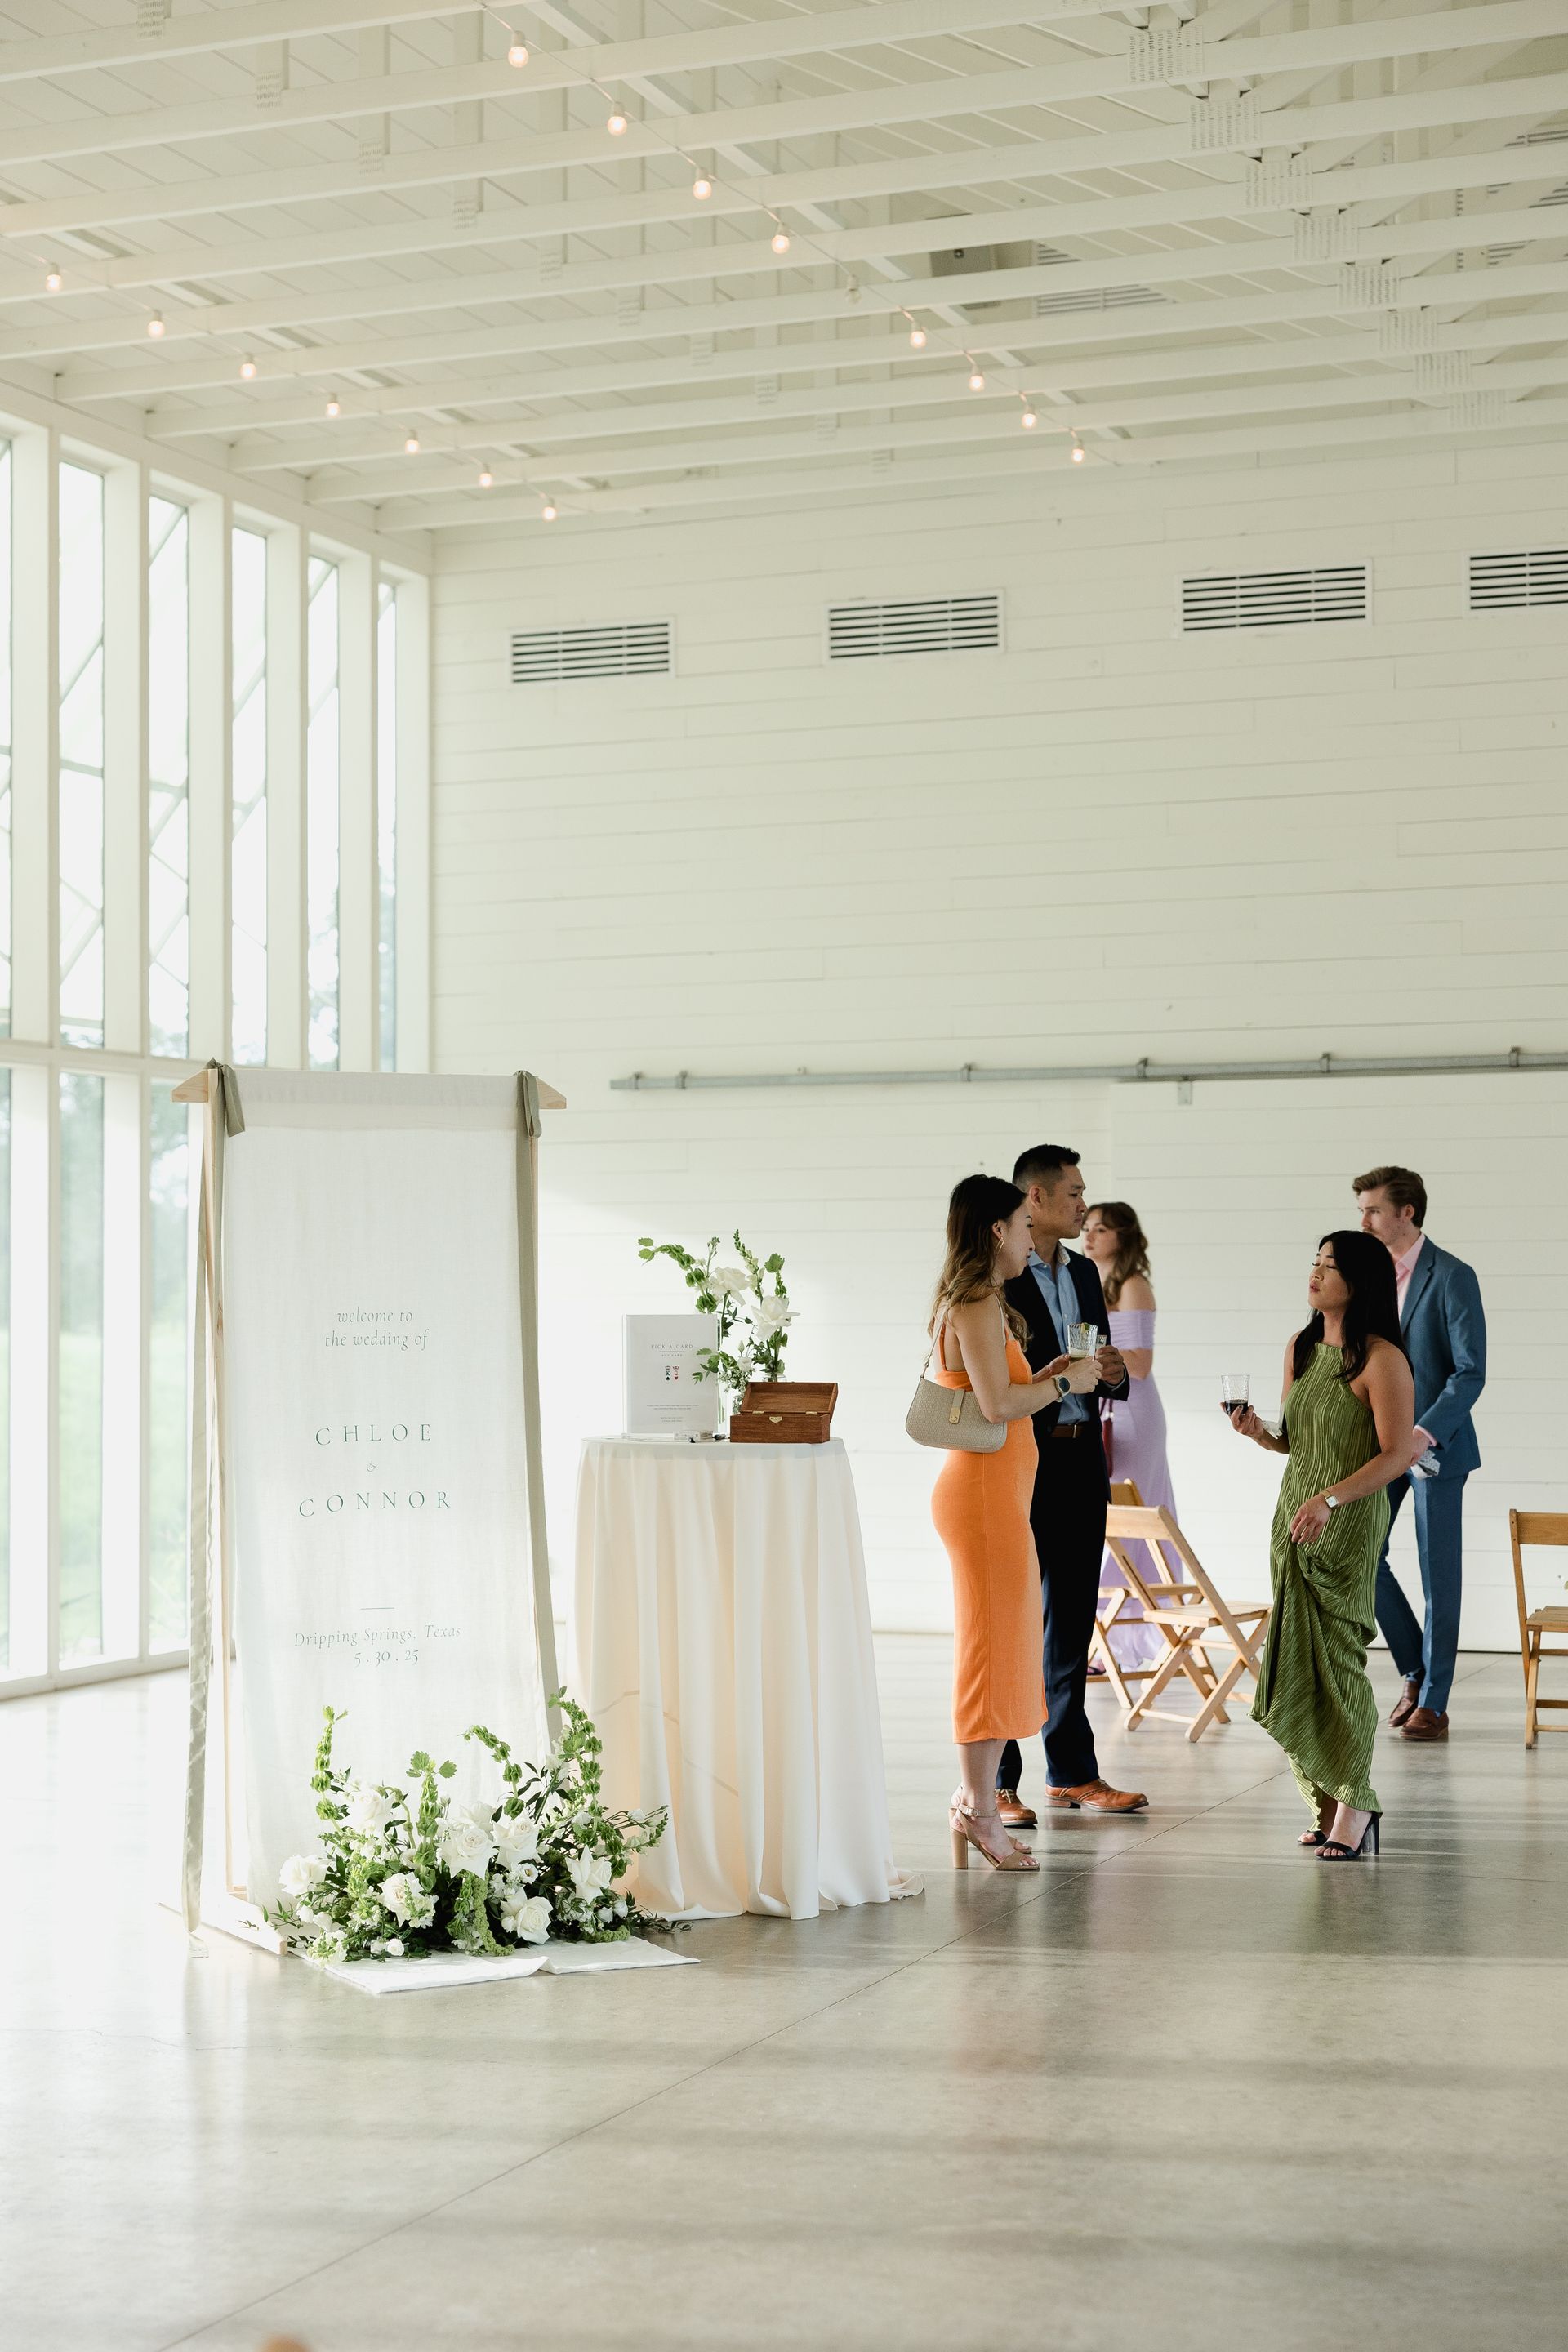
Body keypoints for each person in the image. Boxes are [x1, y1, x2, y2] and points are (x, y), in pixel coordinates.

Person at [929, 1174, 1104, 1870]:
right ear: (998, 1231)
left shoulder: (984, 1302)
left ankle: (972, 1801)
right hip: (980, 1498)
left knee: (1003, 1650)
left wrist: (1051, 1370)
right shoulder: (973, 1302)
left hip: (998, 1496)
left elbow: (1001, 1393)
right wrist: (1065, 1383)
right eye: (1023, 1227)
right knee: (990, 1652)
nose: (1033, 1239)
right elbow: (999, 1406)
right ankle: (979, 1809)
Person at [1228, 1231, 1414, 1860]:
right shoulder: (1302, 1348)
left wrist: (1330, 1499)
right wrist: (1260, 1434)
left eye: (1329, 1267)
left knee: (1339, 1665)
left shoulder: (1383, 1359)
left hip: (1346, 1525)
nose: (1314, 1275)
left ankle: (1356, 1801)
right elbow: (1296, 1441)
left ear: (1358, 1284)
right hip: (1295, 1520)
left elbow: (1396, 1456)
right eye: (1314, 1263)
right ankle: (1328, 1802)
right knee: (1299, 1665)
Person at [994, 1145, 1146, 1824]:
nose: (1085, 1205)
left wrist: (1113, 1370)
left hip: (1084, 1458)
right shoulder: (997, 1276)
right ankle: (998, 1779)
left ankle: (1072, 1772)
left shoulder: (1084, 1271)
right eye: (1076, 1194)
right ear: (1036, 1198)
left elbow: (1100, 1359)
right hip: (1022, 1459)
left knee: (1071, 1620)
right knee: (1013, 1617)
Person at [1355, 1165, 1486, 1742]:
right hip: (1380, 1445)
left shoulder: (1453, 1276)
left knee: (1440, 1576)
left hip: (1436, 1448)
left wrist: (1423, 1433)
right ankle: (1414, 1669)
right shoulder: (1367, 1277)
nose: (1364, 1220)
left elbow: (1469, 1371)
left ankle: (1434, 1699)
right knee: (1364, 1557)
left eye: (1374, 1209)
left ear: (1407, 1212)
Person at [1082, 1201, 1176, 1670]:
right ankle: (1105, 1638)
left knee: (1131, 1516)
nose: (1090, 1234)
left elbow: (1139, 1363)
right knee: (1109, 1520)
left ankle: (1125, 1641)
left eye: (1102, 1228)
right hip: (1100, 1407)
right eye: (1088, 1226)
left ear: (1123, 1236)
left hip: (1133, 1411)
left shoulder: (1134, 1286)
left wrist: (1091, 1354)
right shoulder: (1086, 1281)